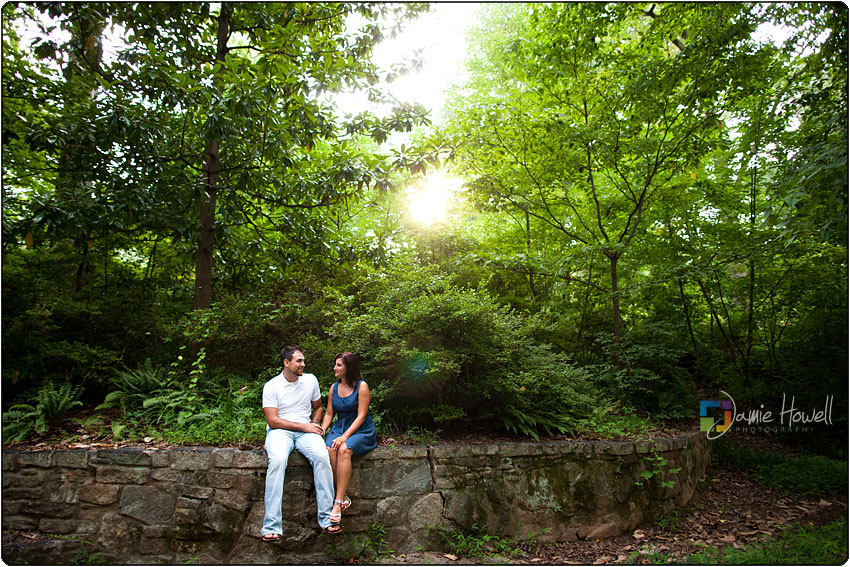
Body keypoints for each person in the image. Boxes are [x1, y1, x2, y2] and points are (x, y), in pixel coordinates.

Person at [261, 346, 341, 540]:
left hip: (307, 431)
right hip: (280, 431)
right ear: (286, 363)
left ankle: (327, 519)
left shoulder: (310, 380)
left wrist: (314, 423)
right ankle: (271, 527)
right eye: (299, 361)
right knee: (278, 461)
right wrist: (304, 427)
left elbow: (318, 407)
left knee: (322, 457)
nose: (303, 364)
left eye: (303, 361)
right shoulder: (271, 386)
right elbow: (273, 420)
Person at [321, 351, 377, 525]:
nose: (335, 368)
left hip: (360, 429)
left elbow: (361, 416)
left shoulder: (362, 386)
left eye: (339, 365)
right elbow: (330, 413)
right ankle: (343, 495)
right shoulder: (334, 388)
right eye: (335, 364)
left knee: (344, 449)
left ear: (348, 367)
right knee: (330, 449)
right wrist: (322, 430)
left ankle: (338, 502)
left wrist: (345, 437)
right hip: (339, 427)